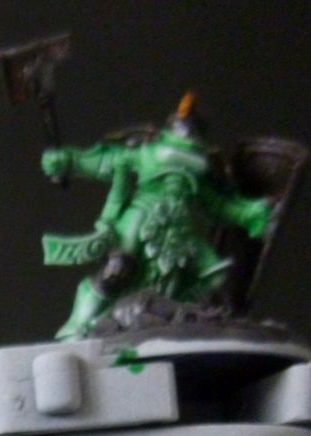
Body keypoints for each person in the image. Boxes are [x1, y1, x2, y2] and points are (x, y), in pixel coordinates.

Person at [39, 93, 273, 340]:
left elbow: (216, 205)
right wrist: (68, 161)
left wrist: (250, 214)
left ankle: (205, 321)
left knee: (213, 277)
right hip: (139, 219)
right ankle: (77, 326)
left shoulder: (202, 165)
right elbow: (104, 162)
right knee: (116, 271)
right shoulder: (146, 149)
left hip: (179, 229)